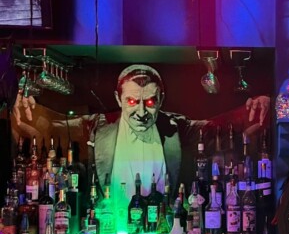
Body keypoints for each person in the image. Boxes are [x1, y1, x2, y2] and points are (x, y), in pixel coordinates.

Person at [12, 63, 270, 198]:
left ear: (161, 99)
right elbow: (53, 128)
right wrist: (28, 109)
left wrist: (259, 106)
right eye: (132, 101)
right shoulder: (97, 126)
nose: (141, 112)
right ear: (118, 99)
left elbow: (219, 128)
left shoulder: (176, 127)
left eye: (149, 102)